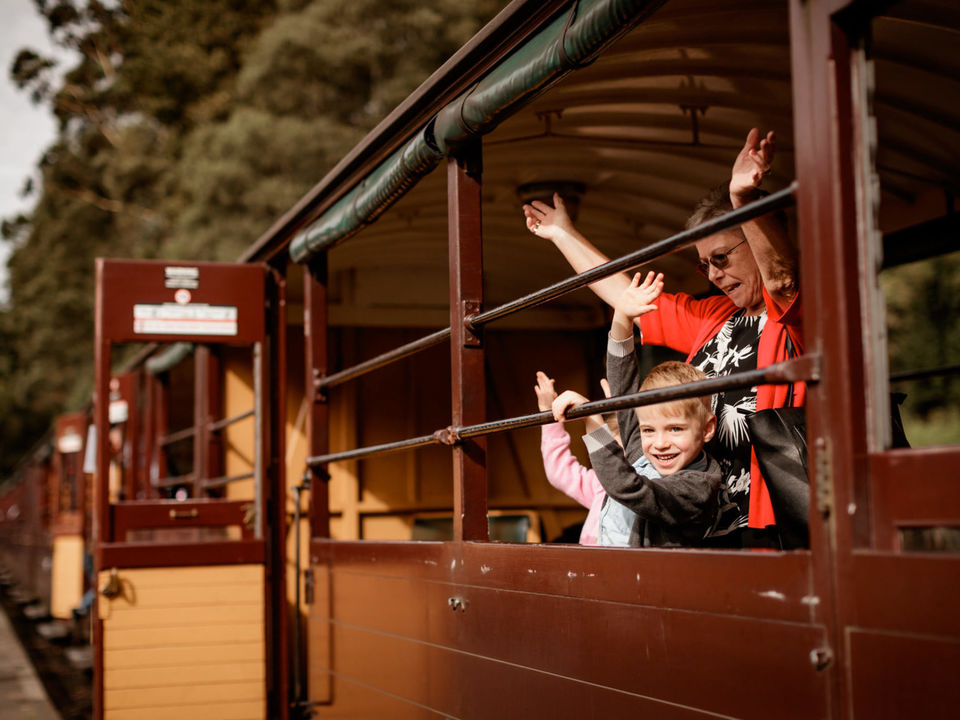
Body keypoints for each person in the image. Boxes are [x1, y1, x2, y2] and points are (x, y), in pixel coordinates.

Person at [524, 129, 803, 545]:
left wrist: (742, 201)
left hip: (768, 517)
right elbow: (630, 301)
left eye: (721, 258)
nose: (713, 275)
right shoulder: (714, 314)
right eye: (704, 265)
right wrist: (564, 234)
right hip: (705, 521)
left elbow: (780, 278)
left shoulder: (796, 311)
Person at [552, 272, 721, 547]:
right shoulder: (641, 451)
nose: (660, 443)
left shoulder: (697, 487)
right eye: (648, 430)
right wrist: (622, 319)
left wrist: (593, 420)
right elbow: (623, 389)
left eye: (675, 429)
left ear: (707, 428)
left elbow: (626, 487)